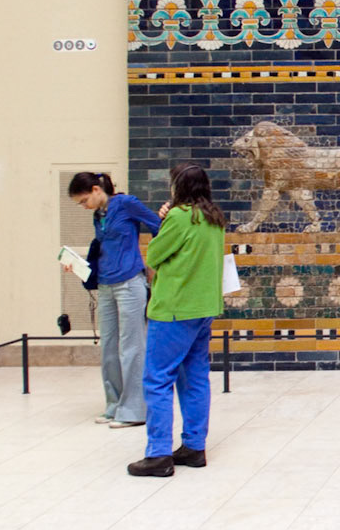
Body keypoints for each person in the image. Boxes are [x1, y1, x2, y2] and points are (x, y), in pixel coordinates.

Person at [128, 160, 225, 478]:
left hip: (173, 310)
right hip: (204, 308)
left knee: (157, 379)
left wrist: (164, 221)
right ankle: (194, 447)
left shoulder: (179, 218)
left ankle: (158, 454)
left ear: (178, 187)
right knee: (195, 377)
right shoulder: (214, 218)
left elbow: (154, 256)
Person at [67, 171, 161, 429]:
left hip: (130, 283)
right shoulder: (98, 215)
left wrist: (153, 263)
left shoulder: (126, 204)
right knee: (109, 347)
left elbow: (158, 227)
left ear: (97, 190)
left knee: (132, 347)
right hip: (106, 285)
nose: (84, 206)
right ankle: (115, 405)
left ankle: (134, 410)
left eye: (85, 200)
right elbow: (103, 248)